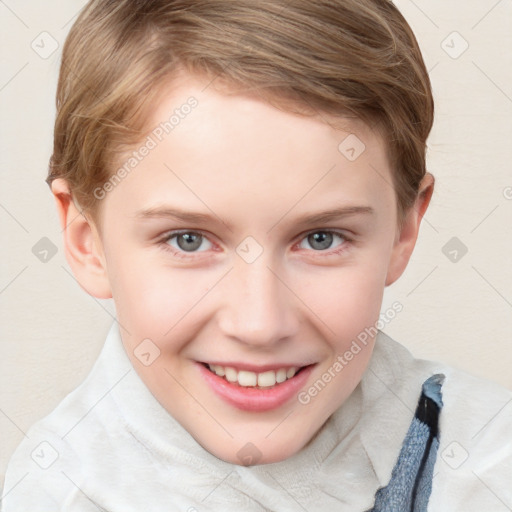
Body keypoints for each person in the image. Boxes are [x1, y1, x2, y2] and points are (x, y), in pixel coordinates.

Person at [2, 0, 511, 510]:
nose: (259, 325)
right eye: (188, 240)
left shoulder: (489, 465)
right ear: (86, 240)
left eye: (321, 238)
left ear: (404, 229)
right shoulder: (50, 493)